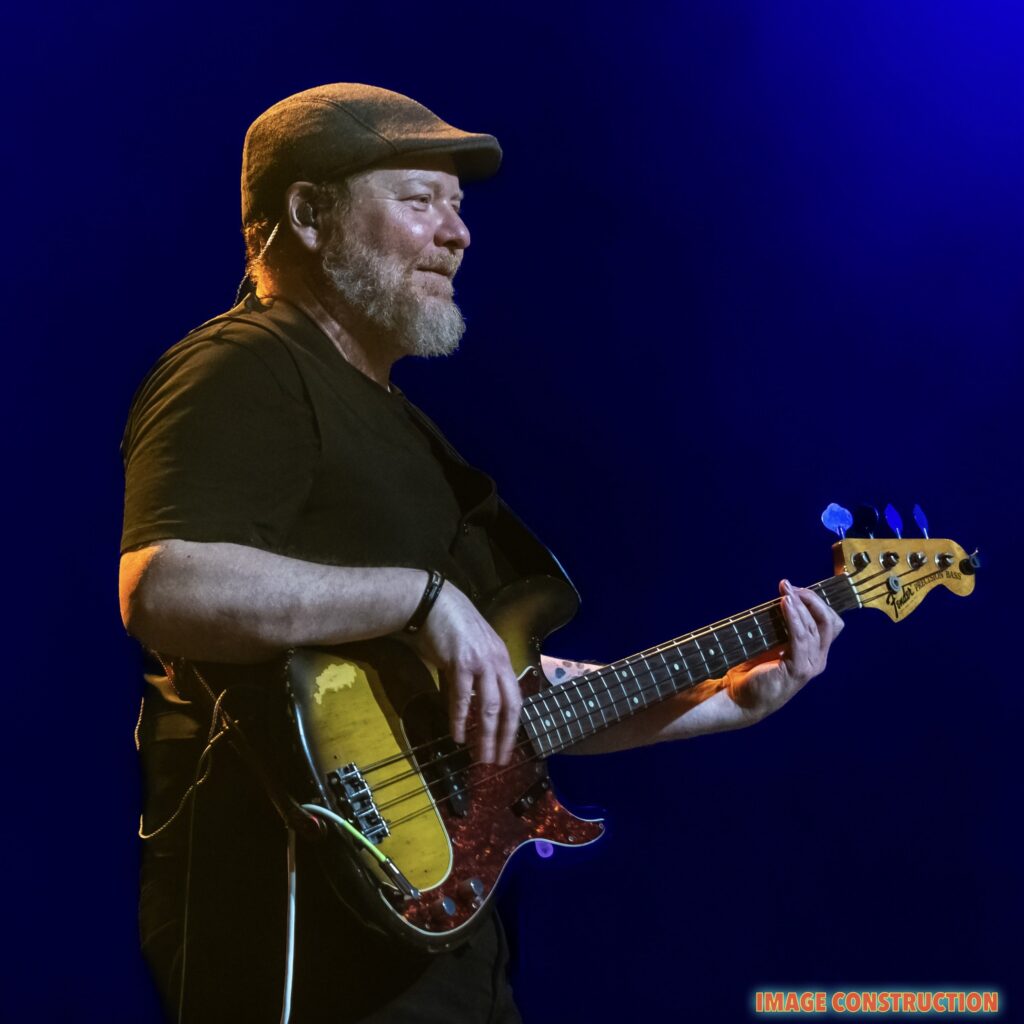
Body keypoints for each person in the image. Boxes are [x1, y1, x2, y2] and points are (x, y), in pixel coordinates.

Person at [119, 83, 844, 1024]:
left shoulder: (406, 432)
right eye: (420, 201)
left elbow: (512, 691)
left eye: (457, 208)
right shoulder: (243, 364)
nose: (457, 234)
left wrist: (727, 699)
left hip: (437, 948)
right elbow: (164, 584)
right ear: (306, 214)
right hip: (308, 934)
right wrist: (423, 599)